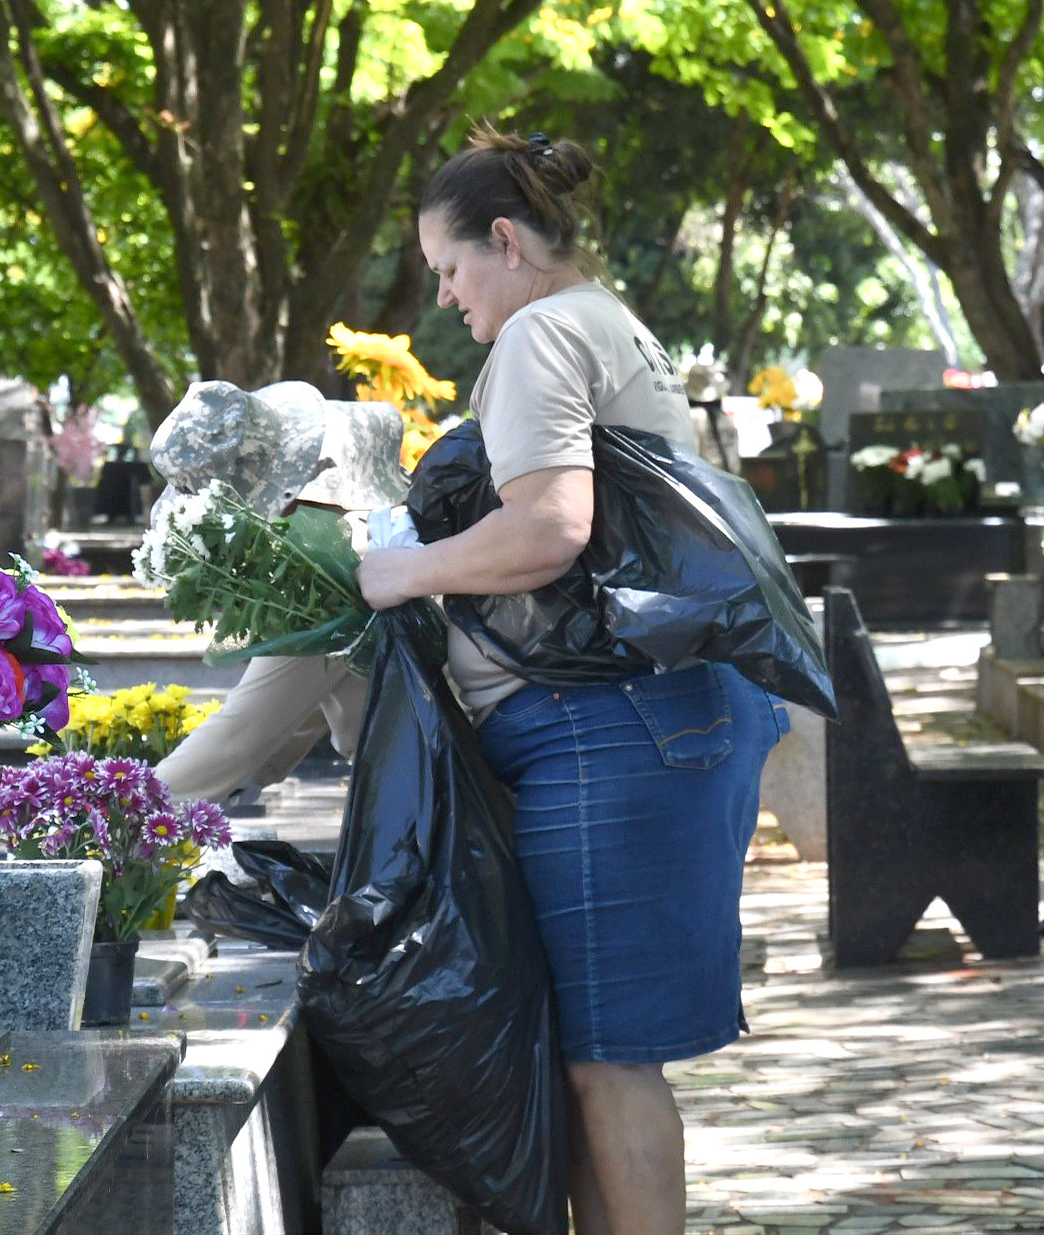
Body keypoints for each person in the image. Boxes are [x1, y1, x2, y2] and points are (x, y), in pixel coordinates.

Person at [354, 124, 785, 1235]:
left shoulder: (543, 333)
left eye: (449, 269)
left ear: (504, 239)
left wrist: (398, 570)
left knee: (610, 1062)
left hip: (612, 731)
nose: (445, 296)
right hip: (645, 720)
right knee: (600, 1057)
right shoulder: (605, 320)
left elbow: (550, 528)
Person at [143, 379, 405, 805]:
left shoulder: (333, 570)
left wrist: (118, 809)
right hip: (434, 781)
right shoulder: (360, 534)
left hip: (449, 785)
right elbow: (301, 700)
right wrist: (247, 779)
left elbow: (243, 731)